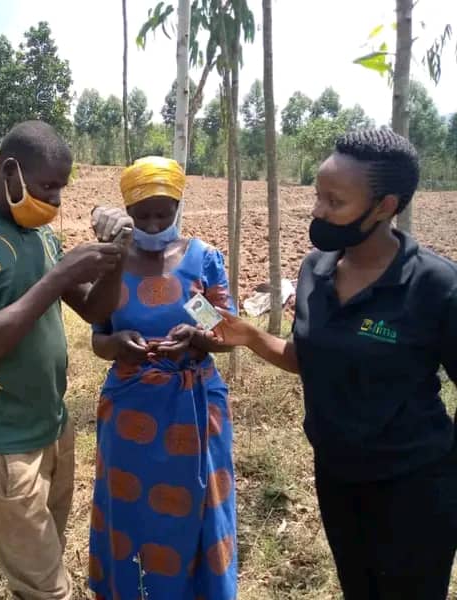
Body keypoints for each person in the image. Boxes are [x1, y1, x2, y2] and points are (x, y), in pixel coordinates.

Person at [215, 129, 457, 600]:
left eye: (335, 201)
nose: (318, 212)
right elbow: (309, 360)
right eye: (317, 196)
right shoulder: (315, 270)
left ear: (385, 206)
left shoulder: (435, 285)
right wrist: (247, 335)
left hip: (415, 487)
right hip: (337, 476)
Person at [0, 120, 131, 599]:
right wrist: (57, 278)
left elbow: (96, 309)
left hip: (53, 427)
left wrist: (119, 257)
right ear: (11, 172)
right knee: (46, 588)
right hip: (4, 439)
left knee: (46, 558)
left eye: (61, 188)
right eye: (46, 186)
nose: (55, 201)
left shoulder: (41, 236)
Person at [88, 157, 237, 600]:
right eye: (143, 215)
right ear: (128, 212)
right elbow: (99, 340)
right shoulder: (112, 263)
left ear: (178, 206)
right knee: (131, 510)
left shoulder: (201, 261)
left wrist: (196, 337)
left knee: (199, 506)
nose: (154, 224)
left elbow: (227, 334)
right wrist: (119, 344)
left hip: (194, 409)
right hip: (130, 413)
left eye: (163, 213)